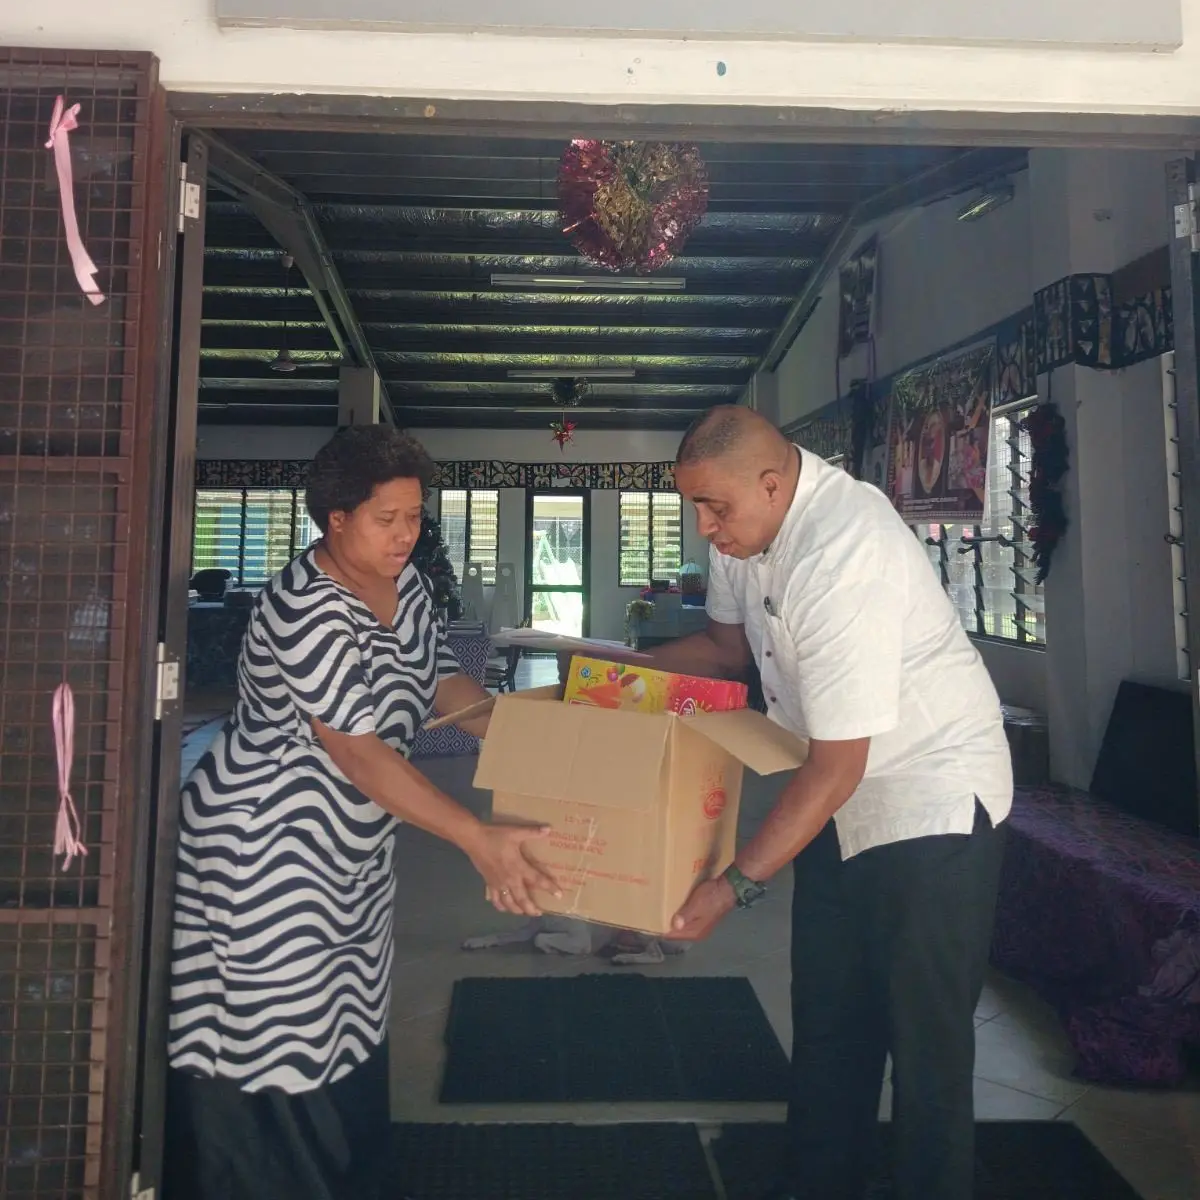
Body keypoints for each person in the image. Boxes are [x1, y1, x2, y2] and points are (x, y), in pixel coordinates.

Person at [164, 425, 559, 1200]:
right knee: (276, 1033)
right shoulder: (304, 606)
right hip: (267, 851)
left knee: (346, 1023)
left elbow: (442, 683)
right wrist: (475, 836)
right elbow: (360, 751)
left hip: (352, 847)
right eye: (388, 519)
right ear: (335, 518)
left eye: (415, 516)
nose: (406, 534)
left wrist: (535, 730)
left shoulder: (403, 583)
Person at [650, 406, 1012, 1200]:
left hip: (929, 801)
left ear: (773, 484)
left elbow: (838, 766)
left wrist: (733, 886)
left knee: (926, 1051)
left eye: (717, 508)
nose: (706, 528)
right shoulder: (745, 532)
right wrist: (606, 668)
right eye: (696, 509)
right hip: (838, 796)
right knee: (827, 1024)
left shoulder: (846, 551)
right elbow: (722, 651)